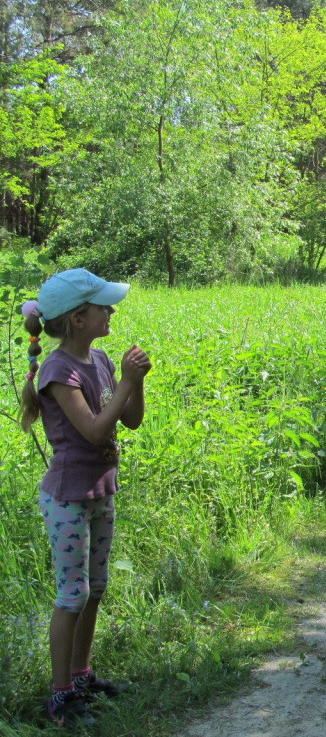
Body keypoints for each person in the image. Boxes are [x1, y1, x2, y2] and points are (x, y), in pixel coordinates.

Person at [19, 269, 152, 726]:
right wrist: (127, 378)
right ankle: (60, 697)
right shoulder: (57, 371)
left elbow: (129, 420)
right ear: (78, 318)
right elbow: (97, 430)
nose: (111, 311)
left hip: (99, 490)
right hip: (68, 499)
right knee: (72, 594)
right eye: (103, 306)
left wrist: (135, 380)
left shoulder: (99, 360)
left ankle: (81, 675)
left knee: (95, 588)